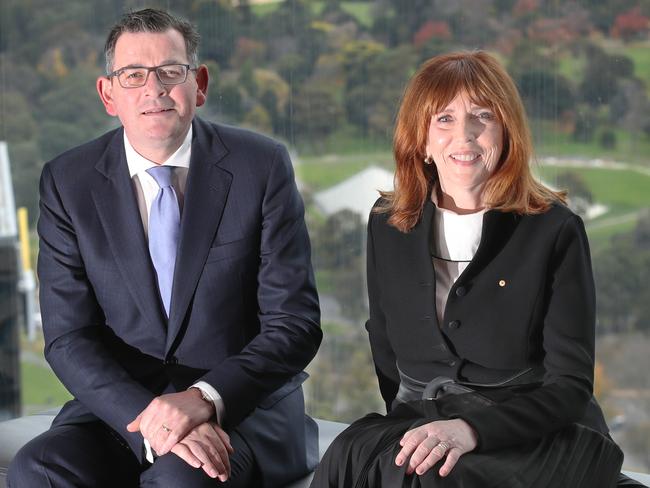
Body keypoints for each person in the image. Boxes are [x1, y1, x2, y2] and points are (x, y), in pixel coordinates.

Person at [8, 8, 321, 488]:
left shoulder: (261, 167)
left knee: (183, 480)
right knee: (38, 470)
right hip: (124, 411)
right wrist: (152, 420)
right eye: (133, 75)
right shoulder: (67, 182)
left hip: (239, 406)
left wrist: (202, 399)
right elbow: (68, 337)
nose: (153, 89)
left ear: (199, 83)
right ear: (108, 94)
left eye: (170, 72)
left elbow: (294, 324)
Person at [310, 51, 644, 487]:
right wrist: (422, 425)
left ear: (506, 132)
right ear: (422, 139)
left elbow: (570, 386)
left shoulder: (555, 230)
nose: (463, 136)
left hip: (534, 434)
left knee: (441, 475)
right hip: (426, 419)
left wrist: (469, 430)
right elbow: (385, 341)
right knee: (352, 458)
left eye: (482, 116)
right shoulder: (387, 222)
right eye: (444, 119)